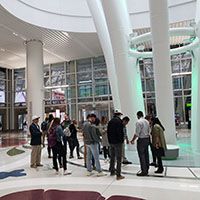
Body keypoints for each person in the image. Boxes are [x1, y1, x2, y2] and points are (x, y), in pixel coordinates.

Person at [131, 111, 150, 176]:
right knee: (146, 154)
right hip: (147, 139)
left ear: (138, 115)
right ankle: (147, 168)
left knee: (141, 155)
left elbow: (137, 133)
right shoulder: (147, 122)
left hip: (141, 140)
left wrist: (132, 140)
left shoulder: (139, 122)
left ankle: (143, 171)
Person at [107, 109, 124, 180]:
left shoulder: (110, 121)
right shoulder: (119, 122)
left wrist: (110, 141)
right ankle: (118, 174)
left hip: (111, 142)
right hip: (117, 143)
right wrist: (121, 140)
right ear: (119, 114)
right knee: (119, 158)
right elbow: (120, 132)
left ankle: (112, 171)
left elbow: (108, 132)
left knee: (112, 157)